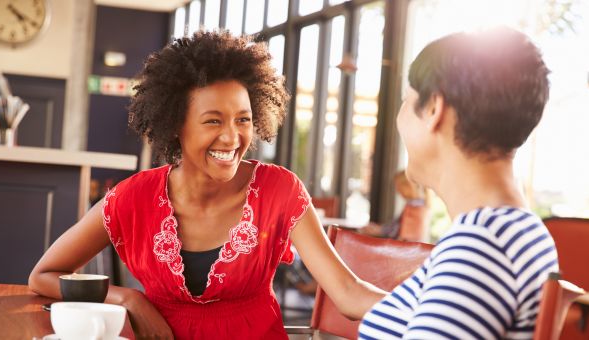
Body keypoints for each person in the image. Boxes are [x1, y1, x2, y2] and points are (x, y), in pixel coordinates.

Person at [29, 30, 385, 339]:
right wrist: (128, 298)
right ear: (175, 126)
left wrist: (427, 307)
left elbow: (348, 293)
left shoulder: (280, 190)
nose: (232, 138)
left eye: (243, 120)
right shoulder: (131, 198)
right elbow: (44, 275)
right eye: (213, 121)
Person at [359, 27, 559, 339]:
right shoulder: (516, 230)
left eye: (405, 100)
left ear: (434, 109)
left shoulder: (482, 245)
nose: (399, 118)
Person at [361, 169, 431, 242]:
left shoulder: (414, 207)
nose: (398, 191)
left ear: (408, 186)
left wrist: (379, 230)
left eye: (399, 187)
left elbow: (399, 229)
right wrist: (380, 229)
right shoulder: (419, 204)